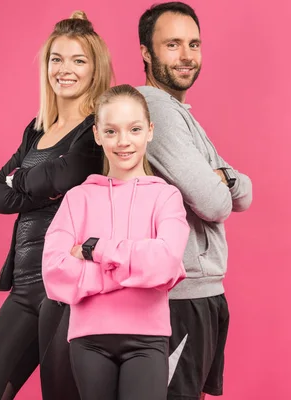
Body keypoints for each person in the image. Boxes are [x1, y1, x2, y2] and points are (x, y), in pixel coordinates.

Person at [0, 11, 113, 400]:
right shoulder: (37, 131)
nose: (65, 70)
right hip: (25, 286)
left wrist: (22, 182)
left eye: (78, 60)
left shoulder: (95, 132)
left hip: (64, 292)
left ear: (95, 69)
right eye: (57, 59)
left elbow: (61, 178)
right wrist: (34, 186)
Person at [41, 84, 189, 400]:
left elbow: (165, 263)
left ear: (149, 131)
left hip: (147, 339)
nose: (123, 141)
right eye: (111, 131)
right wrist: (131, 271)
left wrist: (97, 249)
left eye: (134, 129)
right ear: (97, 134)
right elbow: (55, 272)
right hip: (88, 340)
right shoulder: (77, 198)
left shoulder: (166, 197)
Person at [136, 2, 253, 399]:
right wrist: (222, 181)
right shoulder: (155, 111)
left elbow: (244, 192)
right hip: (178, 296)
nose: (186, 55)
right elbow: (216, 203)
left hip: (202, 292)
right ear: (146, 53)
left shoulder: (180, 113)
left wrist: (225, 179)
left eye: (193, 44)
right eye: (172, 44)